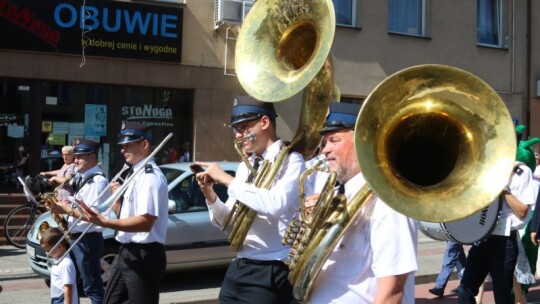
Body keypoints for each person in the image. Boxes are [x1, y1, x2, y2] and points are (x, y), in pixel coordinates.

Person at [194, 96, 305, 304]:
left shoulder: (292, 159)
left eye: (244, 127)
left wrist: (227, 179)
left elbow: (275, 204)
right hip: (240, 264)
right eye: (235, 128)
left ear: (264, 122)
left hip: (272, 267)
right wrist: (210, 193)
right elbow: (229, 225)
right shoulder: (246, 164)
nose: (238, 135)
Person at [305, 102, 418, 304]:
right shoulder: (340, 194)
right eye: (324, 143)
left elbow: (391, 293)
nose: (324, 150)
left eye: (334, 140)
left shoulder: (387, 201)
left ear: (361, 141)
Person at [81, 121, 168, 304]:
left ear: (144, 144)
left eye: (128, 145)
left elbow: (145, 222)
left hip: (144, 254)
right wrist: (116, 201)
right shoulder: (133, 173)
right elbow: (126, 217)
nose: (123, 150)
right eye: (122, 146)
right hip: (126, 251)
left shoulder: (149, 176)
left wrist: (105, 223)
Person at [457, 144, 537, 303]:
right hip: (482, 238)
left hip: (504, 242)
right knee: (464, 291)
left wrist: (503, 191)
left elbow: (522, 211)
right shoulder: (484, 170)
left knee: (502, 297)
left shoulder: (522, 172)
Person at [49, 139, 110, 304]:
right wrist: (62, 206)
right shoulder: (84, 177)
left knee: (91, 286)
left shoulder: (96, 181)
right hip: (78, 236)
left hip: (87, 238)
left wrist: (65, 210)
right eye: (75, 157)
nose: (75, 161)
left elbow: (91, 214)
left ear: (92, 158)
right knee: (71, 282)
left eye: (80, 157)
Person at [40, 227, 79, 304]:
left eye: (48, 250)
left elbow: (68, 288)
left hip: (62, 300)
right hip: (57, 298)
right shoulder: (58, 260)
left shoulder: (66, 264)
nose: (46, 253)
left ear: (59, 246)